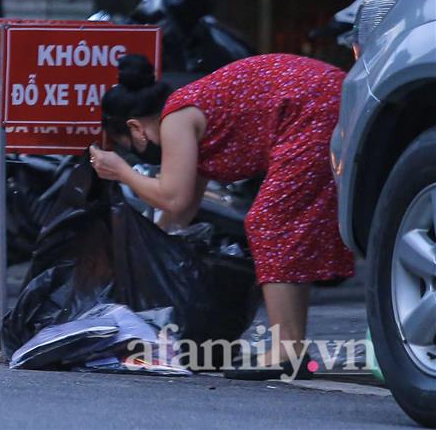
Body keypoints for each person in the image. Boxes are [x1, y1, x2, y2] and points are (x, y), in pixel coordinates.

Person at [89, 53, 355, 379]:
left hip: (312, 106)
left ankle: (287, 350)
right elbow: (181, 209)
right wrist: (148, 254)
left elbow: (172, 196)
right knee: (279, 223)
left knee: (269, 222)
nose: (133, 151)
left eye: (126, 144)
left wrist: (122, 171)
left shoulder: (175, 119)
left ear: (135, 128)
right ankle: (291, 346)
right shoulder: (184, 113)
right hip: (324, 95)